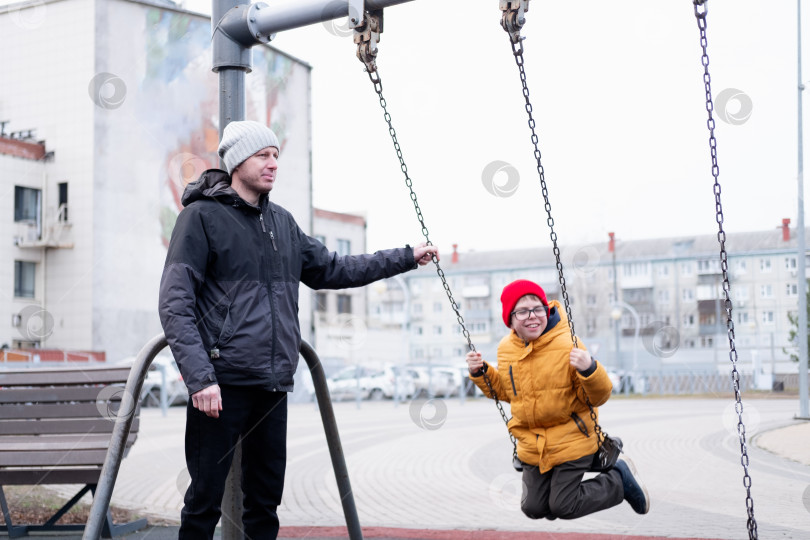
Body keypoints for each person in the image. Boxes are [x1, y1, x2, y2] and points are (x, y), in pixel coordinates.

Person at [158, 120, 439, 539]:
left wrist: (404, 256)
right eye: (263, 156)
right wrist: (200, 378)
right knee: (203, 502)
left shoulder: (282, 224)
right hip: (220, 384)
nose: (273, 164)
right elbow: (174, 303)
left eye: (276, 156)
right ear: (237, 162)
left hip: (272, 384)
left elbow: (334, 269)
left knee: (265, 501)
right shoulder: (201, 218)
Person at [466, 279, 649, 520]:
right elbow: (507, 392)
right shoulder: (506, 349)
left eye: (538, 308)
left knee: (563, 506)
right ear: (510, 320)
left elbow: (600, 395)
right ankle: (563, 494)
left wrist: (589, 369)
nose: (532, 316)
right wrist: (480, 373)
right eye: (522, 311)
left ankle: (619, 481)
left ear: (546, 310)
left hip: (571, 439)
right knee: (533, 508)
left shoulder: (568, 344)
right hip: (533, 446)